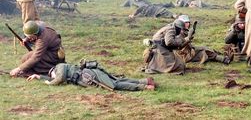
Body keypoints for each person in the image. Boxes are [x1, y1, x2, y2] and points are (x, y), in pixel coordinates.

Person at [26, 60, 156, 91]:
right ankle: (146, 81)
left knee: (114, 85)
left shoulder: (60, 67)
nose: (53, 77)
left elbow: (58, 79)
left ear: (53, 70)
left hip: (89, 76)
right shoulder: (63, 69)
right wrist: (38, 76)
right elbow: (55, 78)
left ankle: (144, 87)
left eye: (51, 75)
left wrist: (49, 83)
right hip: (90, 74)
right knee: (117, 80)